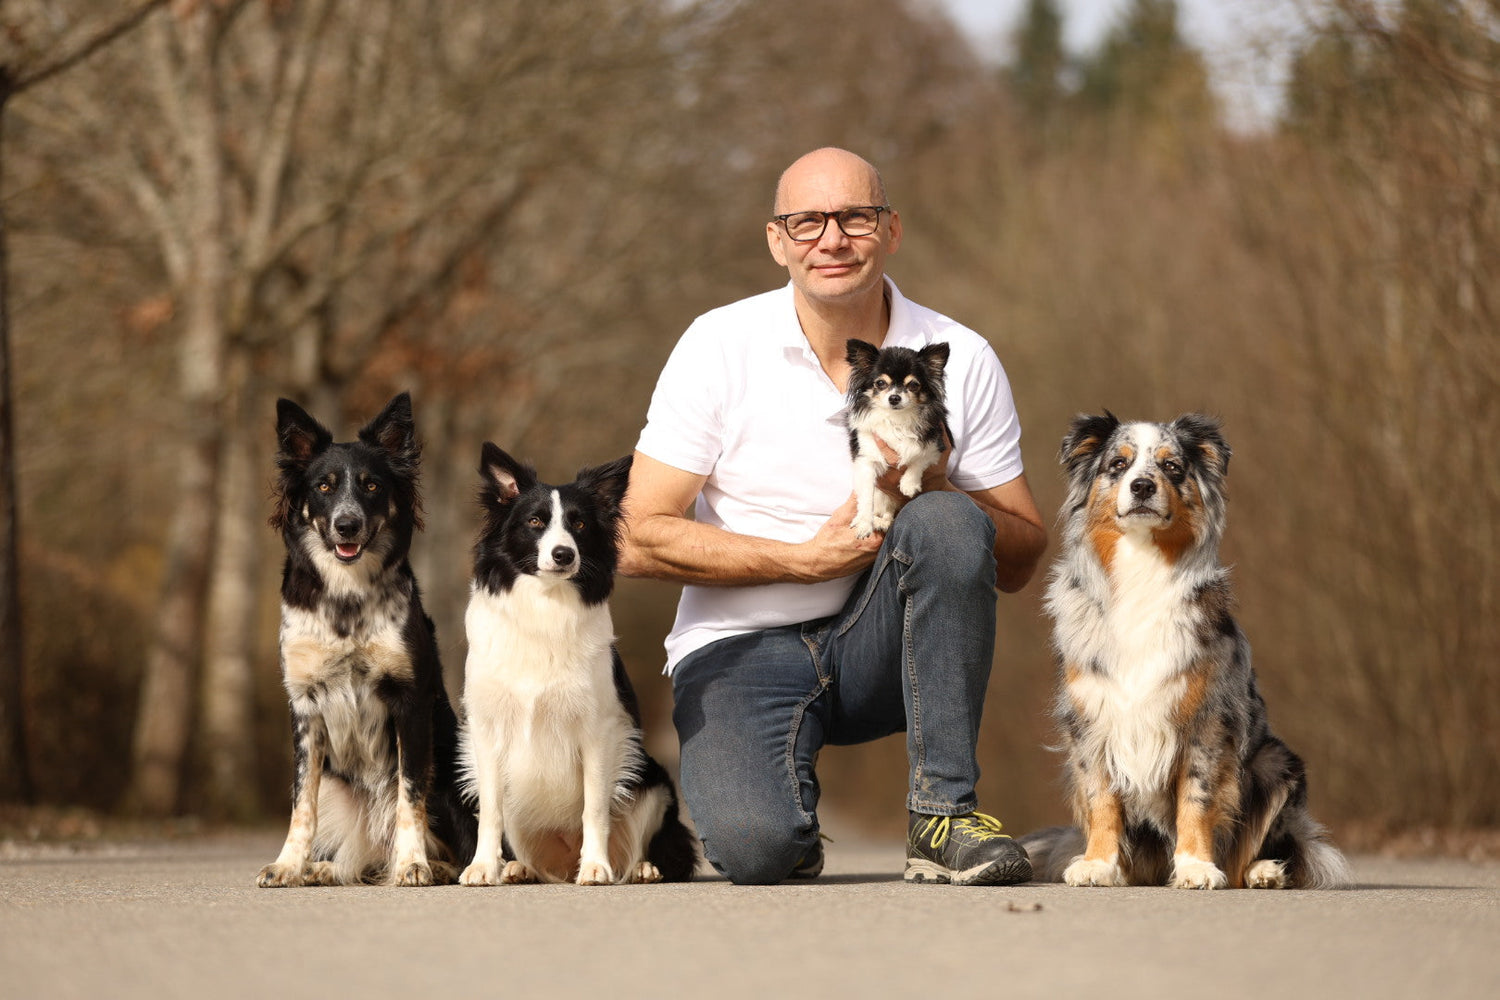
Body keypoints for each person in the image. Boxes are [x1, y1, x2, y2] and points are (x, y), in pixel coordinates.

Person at [619, 147, 1047, 886]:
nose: (833, 239)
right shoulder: (717, 344)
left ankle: (943, 815)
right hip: (740, 647)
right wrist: (800, 561)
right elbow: (632, 534)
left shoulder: (963, 357)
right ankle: (786, 816)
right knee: (757, 849)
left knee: (946, 523)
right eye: (807, 221)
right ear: (776, 240)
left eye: (855, 217)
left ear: (892, 230)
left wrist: (939, 483)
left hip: (886, 645)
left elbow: (1022, 555)